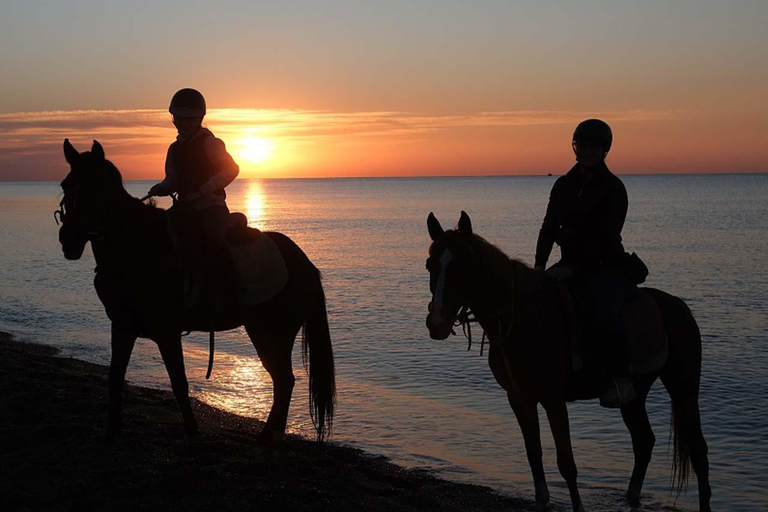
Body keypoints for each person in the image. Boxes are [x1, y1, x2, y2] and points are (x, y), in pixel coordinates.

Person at [534, 119, 635, 408]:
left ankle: (620, 379)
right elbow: (549, 227)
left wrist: (575, 268)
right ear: (575, 148)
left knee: (603, 312)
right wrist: (540, 267)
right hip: (567, 263)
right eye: (582, 146)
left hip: (605, 264)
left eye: (594, 147)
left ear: (604, 150)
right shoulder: (563, 185)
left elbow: (606, 237)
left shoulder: (615, 189)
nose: (587, 152)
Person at [148, 88, 240, 308]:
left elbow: (231, 169)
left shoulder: (211, 143)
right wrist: (160, 188)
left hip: (211, 206)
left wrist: (206, 188)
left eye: (190, 119)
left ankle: (232, 287)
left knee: (214, 238)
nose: (184, 123)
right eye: (180, 118)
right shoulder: (174, 149)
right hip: (185, 207)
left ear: (200, 118)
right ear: (174, 119)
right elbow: (172, 179)